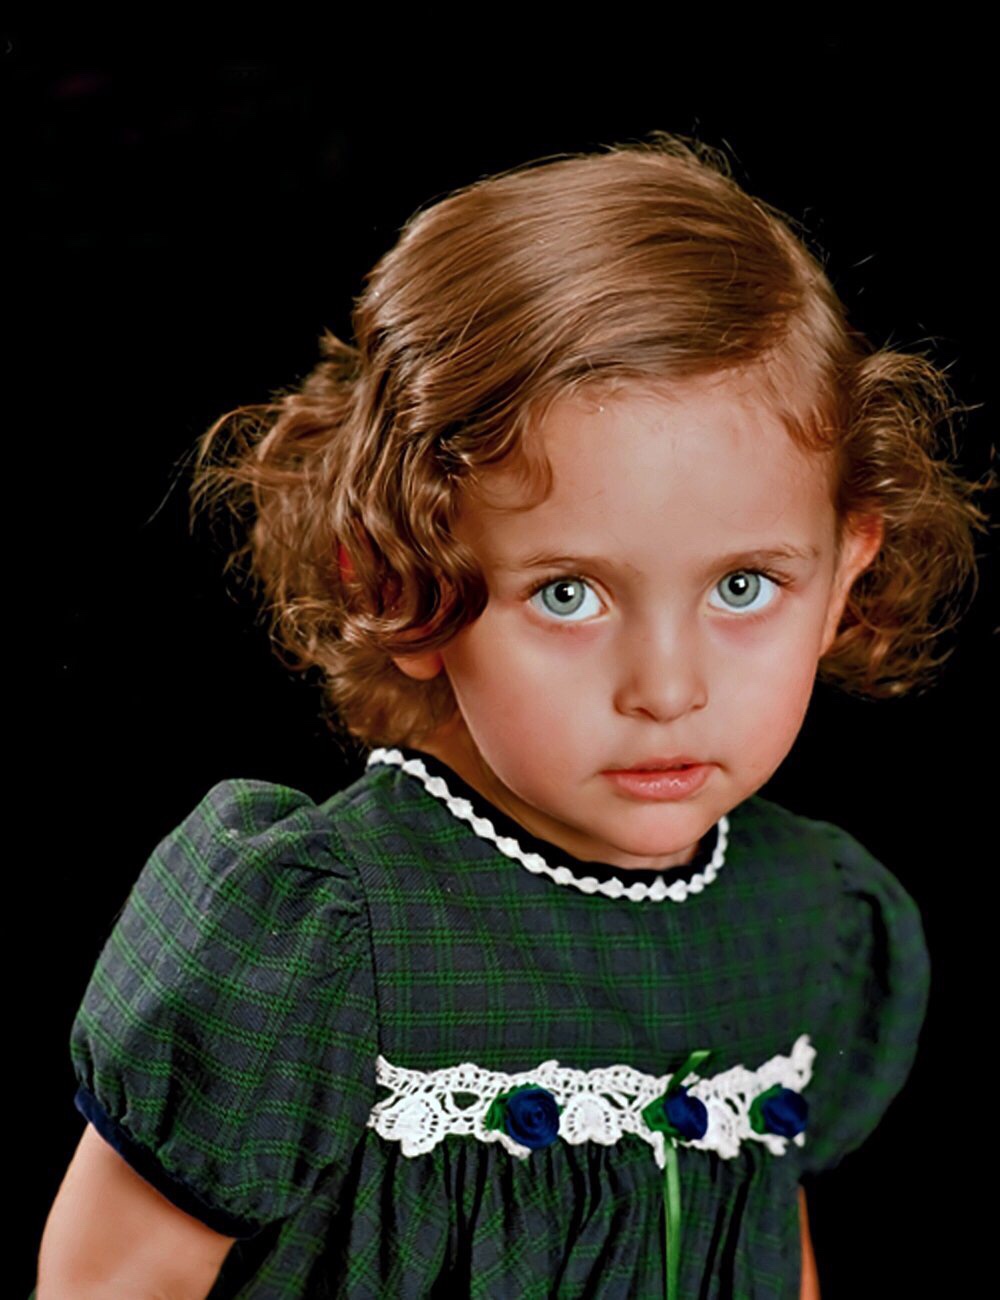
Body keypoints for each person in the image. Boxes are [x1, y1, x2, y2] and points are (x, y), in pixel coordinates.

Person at [35, 131, 990, 1299]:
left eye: (743, 586)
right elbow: (111, 1279)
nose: (667, 687)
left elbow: (765, 1245)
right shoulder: (323, 939)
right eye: (569, 594)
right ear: (400, 587)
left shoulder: (813, 921)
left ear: (845, 571)